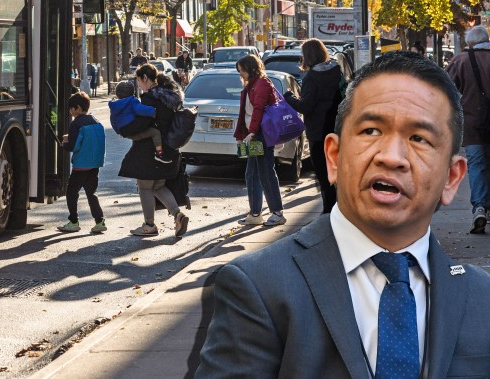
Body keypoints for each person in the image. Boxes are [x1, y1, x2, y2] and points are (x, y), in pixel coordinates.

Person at [196, 51, 490, 378]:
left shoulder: (482, 298)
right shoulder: (258, 287)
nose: (392, 157)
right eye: (371, 132)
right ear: (334, 157)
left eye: (419, 138)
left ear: (451, 178)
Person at [119, 64, 190, 238]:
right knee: (158, 185)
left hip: (149, 150)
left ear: (145, 78)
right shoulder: (170, 97)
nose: (138, 84)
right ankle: (177, 215)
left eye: (138, 80)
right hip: (167, 150)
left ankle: (149, 225)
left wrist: (125, 130)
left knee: (144, 186)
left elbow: (143, 124)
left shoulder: (149, 99)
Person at [284, 38, 342, 213]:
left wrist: (289, 97)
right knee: (338, 170)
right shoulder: (336, 70)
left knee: (324, 175)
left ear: (307, 56)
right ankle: (342, 208)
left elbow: (305, 106)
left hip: (318, 131)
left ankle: (328, 211)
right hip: (338, 127)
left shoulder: (312, 77)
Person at [446, 24, 490, 233]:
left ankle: (480, 207)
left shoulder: (461, 60)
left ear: (470, 43)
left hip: (474, 125)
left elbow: (445, 88)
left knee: (477, 166)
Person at [233, 54, 285, 226]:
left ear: (251, 69)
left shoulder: (261, 83)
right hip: (254, 134)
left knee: (265, 172)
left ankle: (277, 212)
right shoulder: (253, 85)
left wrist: (252, 132)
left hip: (260, 134)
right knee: (253, 173)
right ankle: (255, 214)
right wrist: (243, 134)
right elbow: (247, 113)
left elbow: (258, 110)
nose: (241, 75)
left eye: (242, 71)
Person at [57, 91, 107, 233]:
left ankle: (73, 221)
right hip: (94, 164)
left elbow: (73, 146)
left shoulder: (76, 123)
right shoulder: (95, 121)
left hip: (81, 165)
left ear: (77, 108)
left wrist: (64, 144)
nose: (70, 112)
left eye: (71, 109)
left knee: (72, 192)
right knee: (91, 193)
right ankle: (99, 221)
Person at [108, 80, 169, 163]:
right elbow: (140, 109)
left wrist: (118, 131)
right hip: (133, 129)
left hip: (124, 131)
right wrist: (153, 111)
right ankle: (160, 154)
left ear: (117, 94)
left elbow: (113, 119)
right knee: (155, 132)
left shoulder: (114, 105)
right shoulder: (132, 101)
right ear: (132, 92)